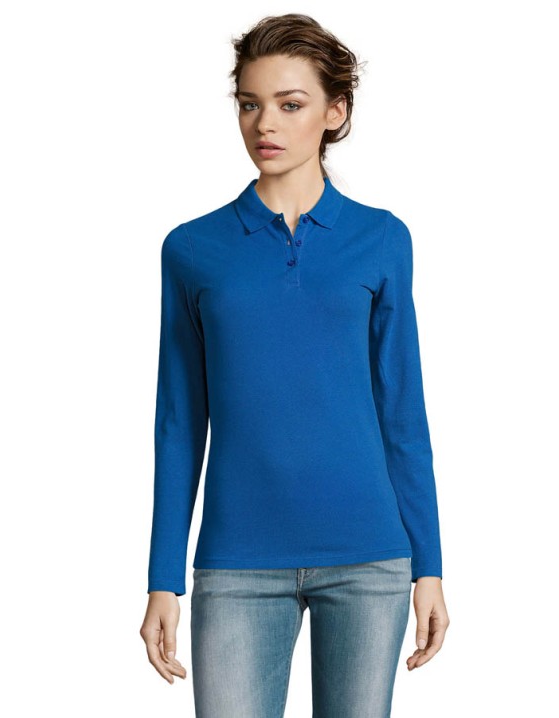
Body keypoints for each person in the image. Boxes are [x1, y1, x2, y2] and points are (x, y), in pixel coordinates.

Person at [140, 13, 450, 717]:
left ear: (334, 112)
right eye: (250, 104)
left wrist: (429, 564)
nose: (265, 124)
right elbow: (179, 424)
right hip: (236, 563)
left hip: (369, 558)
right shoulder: (192, 249)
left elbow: (402, 414)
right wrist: (163, 577)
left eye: (290, 103)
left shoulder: (382, 239)